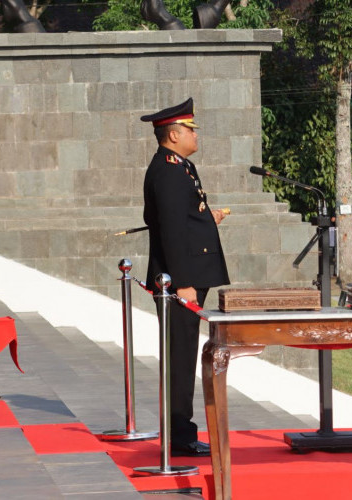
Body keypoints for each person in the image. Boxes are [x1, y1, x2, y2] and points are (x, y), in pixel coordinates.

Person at [141, 98, 230, 457]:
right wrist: (182, 282)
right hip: (180, 281)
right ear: (174, 134)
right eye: (190, 129)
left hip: (187, 274)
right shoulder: (167, 170)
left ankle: (181, 431)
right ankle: (180, 436)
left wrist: (208, 218)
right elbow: (172, 231)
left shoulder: (180, 166)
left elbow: (185, 217)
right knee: (180, 357)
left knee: (184, 353)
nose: (196, 134)